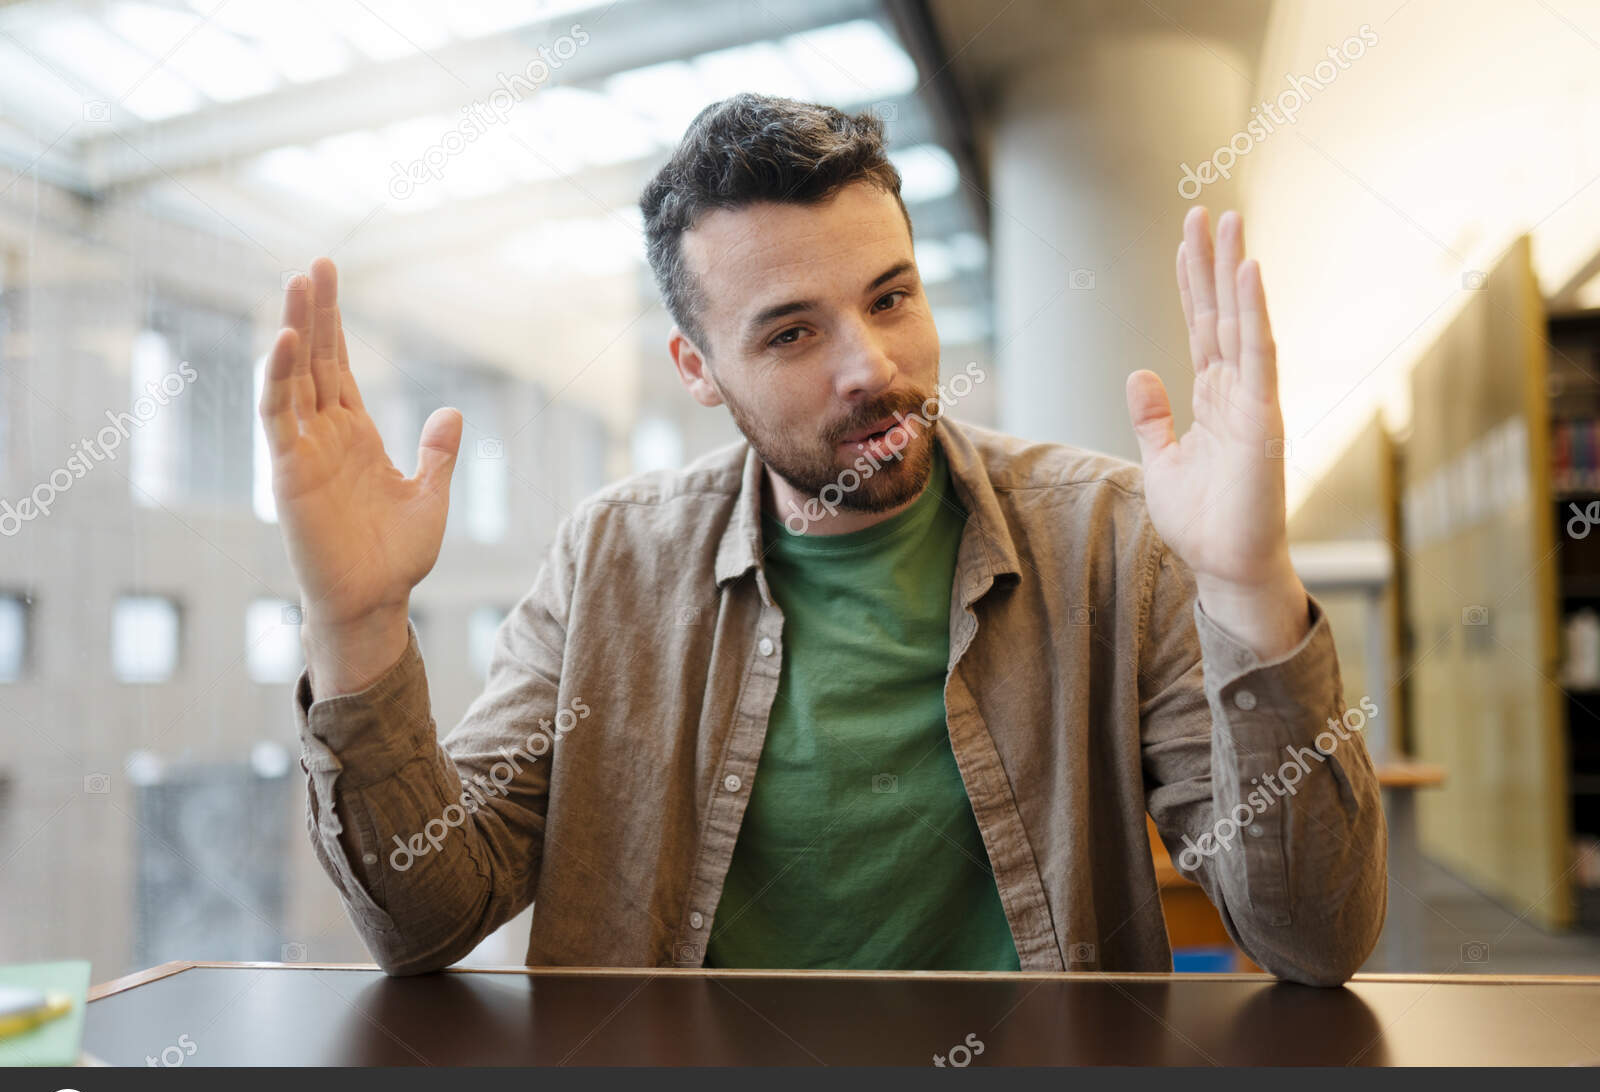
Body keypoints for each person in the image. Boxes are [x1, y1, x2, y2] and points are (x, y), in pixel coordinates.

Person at [265, 94, 1386, 986]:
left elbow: (1313, 940)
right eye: (793, 331)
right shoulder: (611, 562)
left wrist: (1247, 584)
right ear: (697, 369)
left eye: (890, 298)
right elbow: (426, 918)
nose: (871, 368)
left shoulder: (1106, 539)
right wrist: (356, 623)